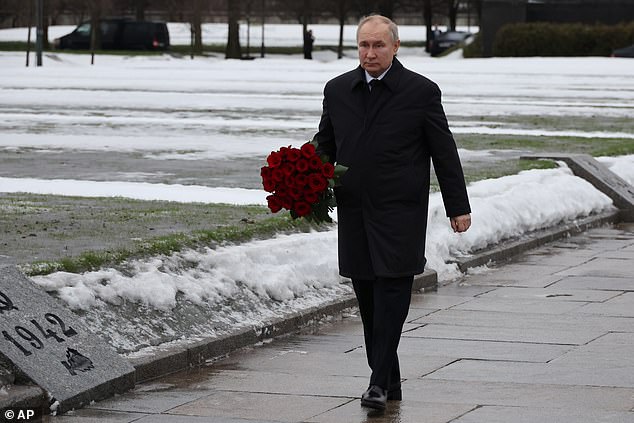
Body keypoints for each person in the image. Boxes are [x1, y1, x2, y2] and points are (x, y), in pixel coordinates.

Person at [313, 15, 471, 410]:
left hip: (400, 214)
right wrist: (301, 181)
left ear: (396, 46)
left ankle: (377, 384)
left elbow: (443, 151)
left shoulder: (420, 91)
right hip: (354, 212)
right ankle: (389, 379)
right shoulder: (337, 90)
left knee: (393, 299)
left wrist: (458, 206)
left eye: (378, 45)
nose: (370, 53)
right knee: (368, 301)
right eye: (364, 45)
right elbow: (325, 145)